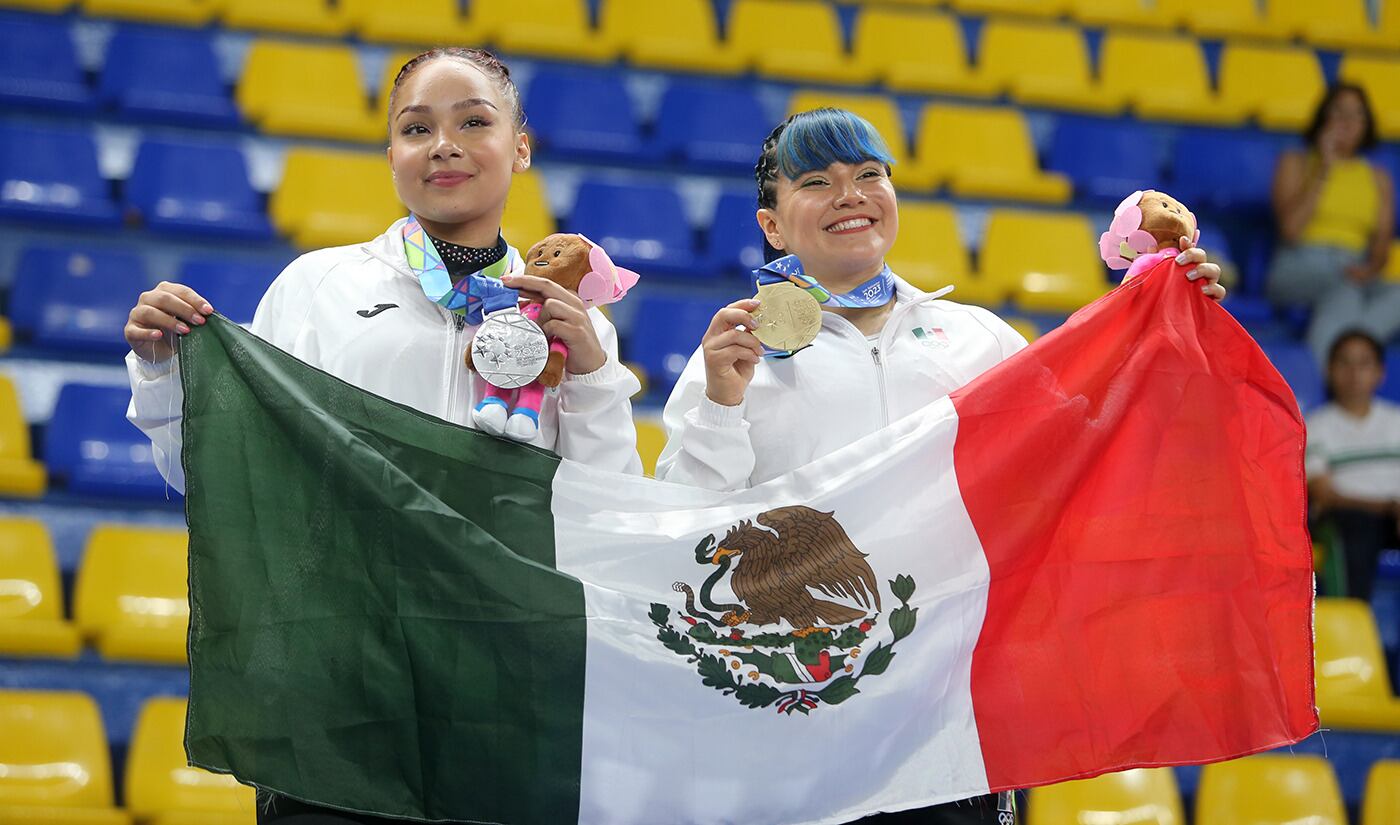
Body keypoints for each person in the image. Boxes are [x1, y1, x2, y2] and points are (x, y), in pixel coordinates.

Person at [656, 108, 1224, 823]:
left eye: (868, 174)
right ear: (772, 225)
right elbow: (680, 533)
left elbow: (1091, 461)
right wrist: (719, 404)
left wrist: (1171, 331)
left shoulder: (977, 339)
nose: (850, 193)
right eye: (817, 181)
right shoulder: (733, 356)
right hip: (797, 728)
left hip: (953, 730)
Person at [124, 47, 641, 824]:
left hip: (501, 686)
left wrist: (596, 372)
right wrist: (165, 371)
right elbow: (228, 474)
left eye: (474, 121)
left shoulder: (571, 317)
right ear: (391, 153)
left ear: (521, 146)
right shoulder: (318, 287)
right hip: (343, 687)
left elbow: (608, 512)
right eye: (416, 127)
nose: (444, 144)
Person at [1269, 83, 1397, 365]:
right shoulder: (1296, 162)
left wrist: (1370, 269)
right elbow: (1290, 230)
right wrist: (1324, 169)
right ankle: (1325, 386)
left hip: (1354, 268)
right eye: (1339, 112)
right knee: (1345, 292)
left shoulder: (1379, 178)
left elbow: (1381, 248)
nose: (1347, 123)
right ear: (1323, 117)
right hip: (1299, 263)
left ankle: (1343, 373)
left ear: (1366, 125)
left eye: (1357, 115)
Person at [1306, 329, 1400, 603]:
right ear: (1328, 370)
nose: (1354, 373)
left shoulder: (1396, 421)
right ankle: (1353, 629)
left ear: (1380, 373)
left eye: (1364, 363)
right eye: (1344, 362)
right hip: (1350, 518)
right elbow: (1324, 495)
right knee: (1355, 529)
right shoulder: (1315, 426)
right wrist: (1386, 507)